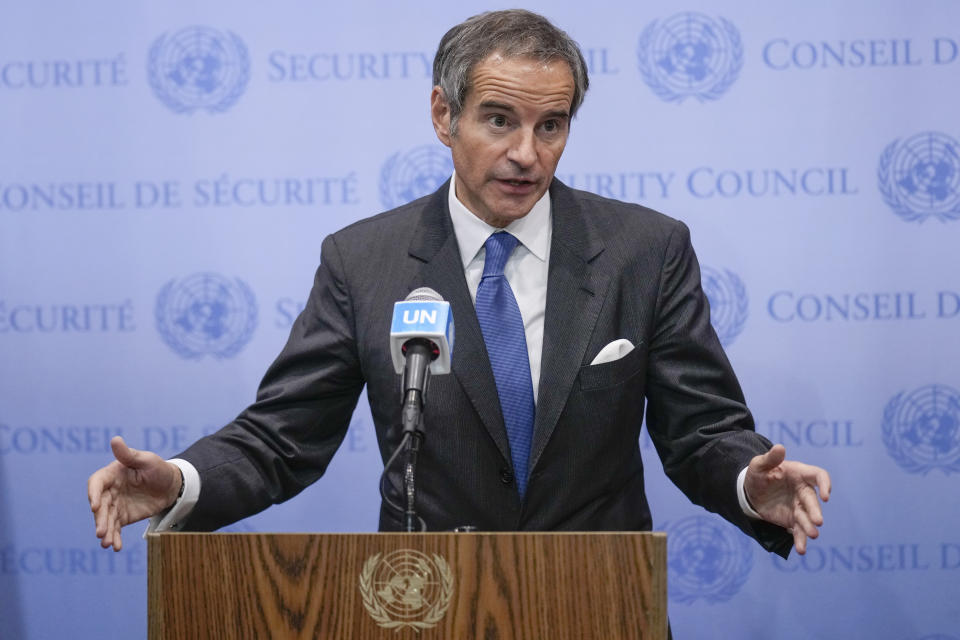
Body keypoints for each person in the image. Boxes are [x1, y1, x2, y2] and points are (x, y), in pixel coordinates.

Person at [89, 9, 830, 560]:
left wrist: (748, 484)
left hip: (598, 597)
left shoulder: (646, 251)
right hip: (424, 598)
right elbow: (282, 439)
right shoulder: (364, 261)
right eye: (499, 120)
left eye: (551, 126)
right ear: (444, 115)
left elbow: (702, 430)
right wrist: (182, 481)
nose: (525, 154)